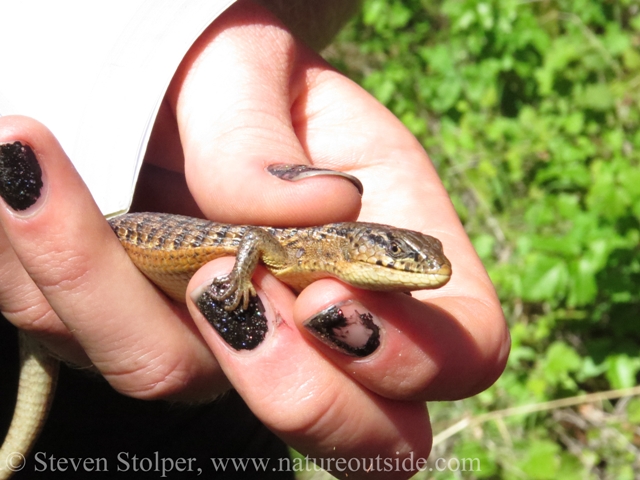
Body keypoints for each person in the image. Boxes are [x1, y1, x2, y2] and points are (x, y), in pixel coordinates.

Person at [0, 1, 509, 478]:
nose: (422, 265)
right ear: (360, 246)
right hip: (125, 235)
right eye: (399, 252)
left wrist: (167, 45)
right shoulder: (298, 247)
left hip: (139, 388)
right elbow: (256, 240)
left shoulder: (321, 264)